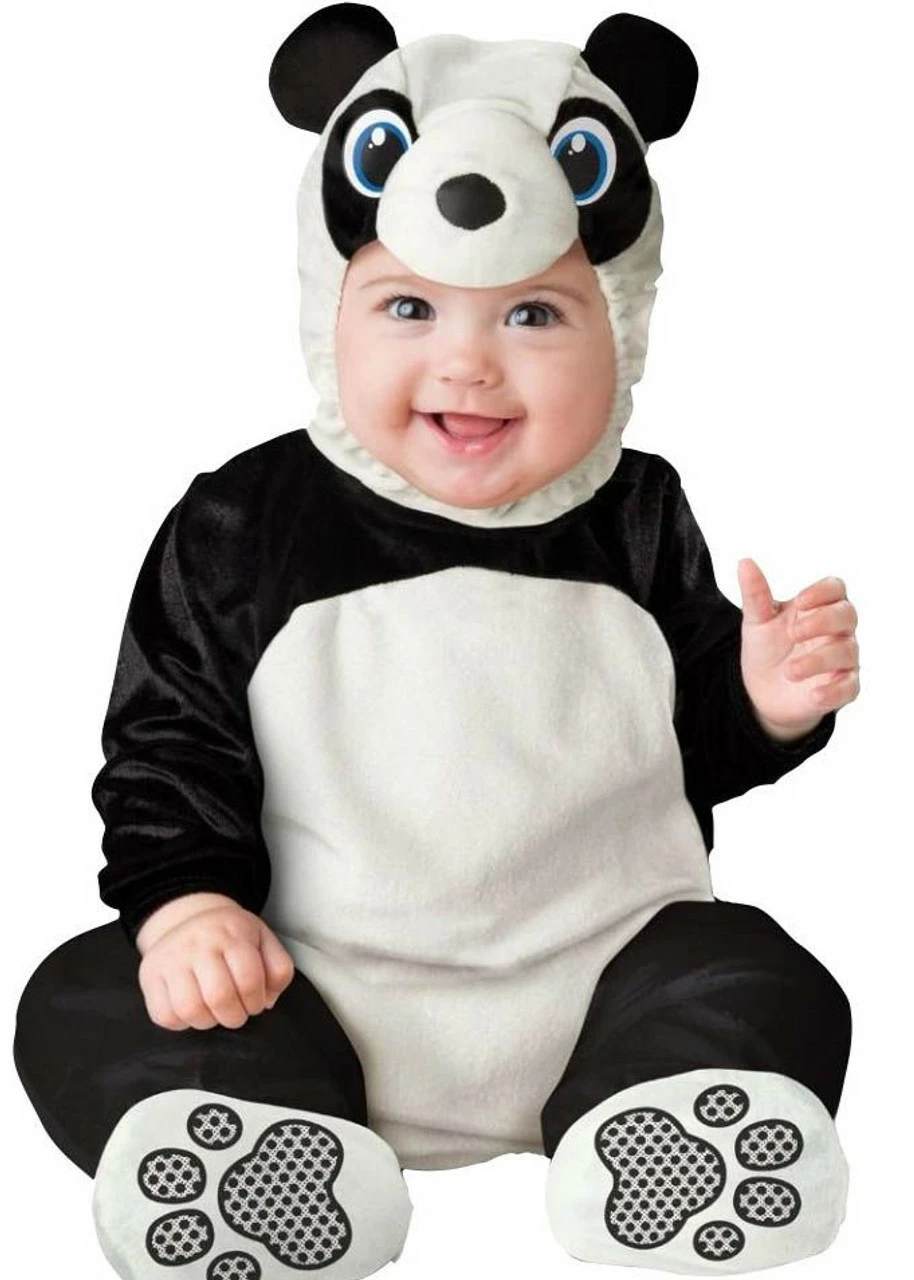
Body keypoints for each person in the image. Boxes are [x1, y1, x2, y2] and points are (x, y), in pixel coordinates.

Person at [13, 6, 859, 1279]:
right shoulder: (243, 520)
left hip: (605, 981)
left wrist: (761, 698)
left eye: (533, 317)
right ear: (329, 313)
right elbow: (168, 742)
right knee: (80, 992)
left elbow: (681, 740)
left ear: (620, 325)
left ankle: (653, 1130)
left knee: (764, 975)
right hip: (303, 990)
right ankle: (271, 1148)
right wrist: (188, 905)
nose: (468, 367)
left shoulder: (638, 513)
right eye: (408, 306)